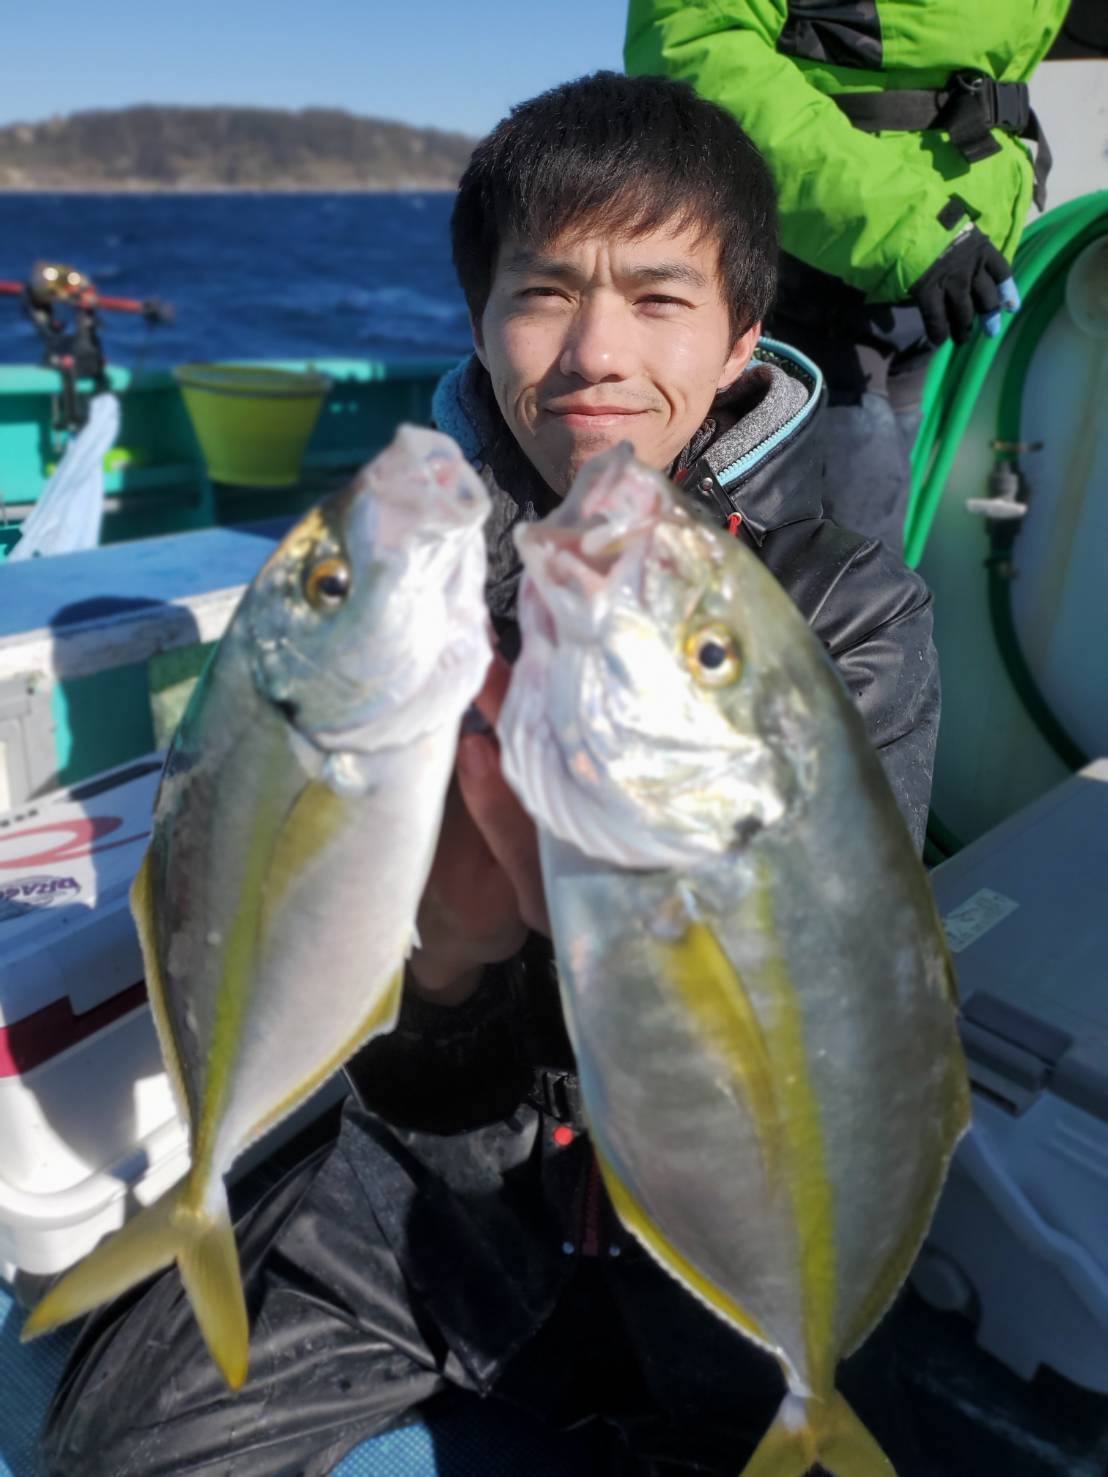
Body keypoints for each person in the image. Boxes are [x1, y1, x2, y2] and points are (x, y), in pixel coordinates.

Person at [42, 73, 940, 1477]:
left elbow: (844, 1006)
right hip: (441, 1200)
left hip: (725, 1199)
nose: (595, 350)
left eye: (657, 297)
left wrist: (602, 937)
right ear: (478, 323)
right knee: (113, 1441)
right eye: (543, 293)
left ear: (739, 341)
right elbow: (352, 1006)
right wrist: (454, 966)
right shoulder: (413, 584)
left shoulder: (847, 607)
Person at [624, 0, 1070, 554]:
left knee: (874, 554)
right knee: (844, 567)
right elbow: (693, 46)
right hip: (823, 270)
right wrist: (910, 229)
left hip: (939, 279)